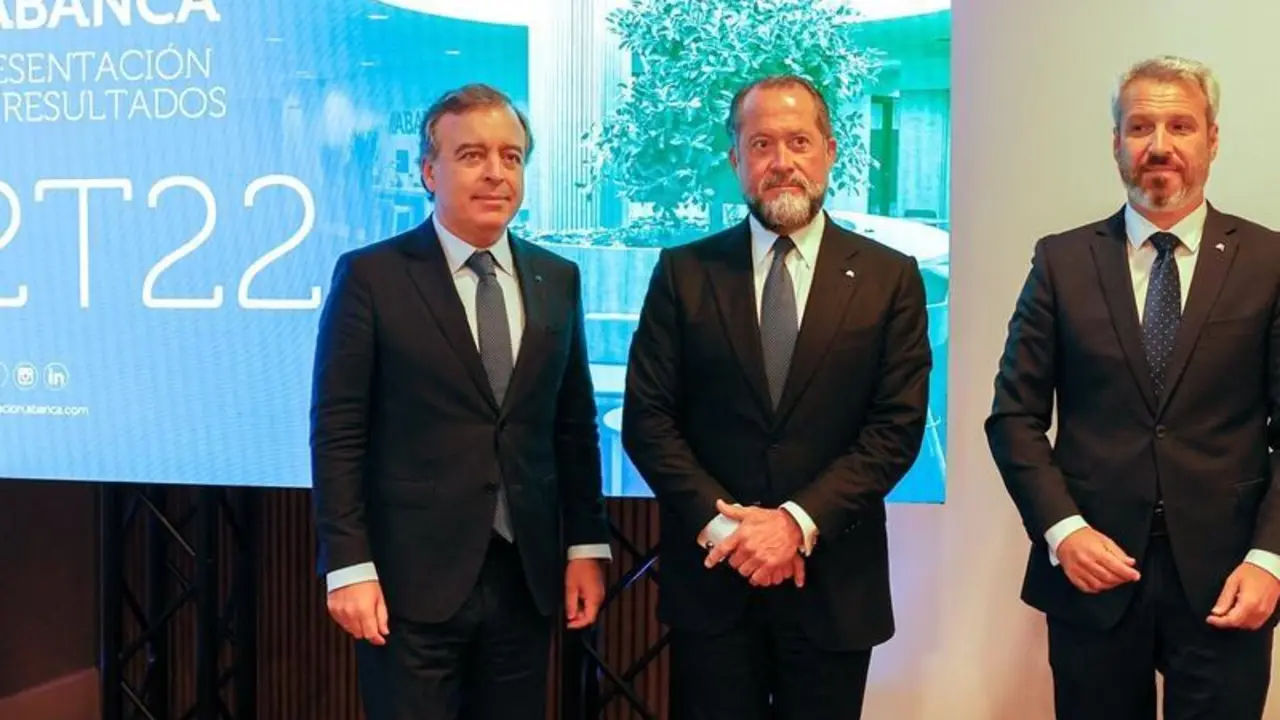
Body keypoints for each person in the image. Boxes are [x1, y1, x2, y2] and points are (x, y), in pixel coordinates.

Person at [621, 74, 931, 720]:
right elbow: (648, 421)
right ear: (735, 158)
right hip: (714, 581)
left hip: (834, 585)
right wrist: (730, 532)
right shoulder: (684, 273)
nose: (781, 161)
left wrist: (794, 523)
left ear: (830, 151)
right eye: (761, 144)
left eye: (798, 141)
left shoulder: (890, 278)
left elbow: (895, 429)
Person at [986, 55, 1280, 719]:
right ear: (1116, 141)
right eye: (1141, 127)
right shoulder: (1061, 260)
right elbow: (1014, 418)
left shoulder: (1269, 261)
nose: (1160, 145)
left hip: (1230, 577)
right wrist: (1063, 530)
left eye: (1181, 126)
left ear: (1212, 139)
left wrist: (1270, 558)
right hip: (1093, 572)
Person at [310, 83, 612, 720]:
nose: (496, 172)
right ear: (429, 172)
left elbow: (573, 424)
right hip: (407, 580)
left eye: (511, 156)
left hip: (525, 576)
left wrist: (586, 545)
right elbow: (338, 431)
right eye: (472, 155)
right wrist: (347, 564)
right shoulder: (372, 276)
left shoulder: (557, 278)